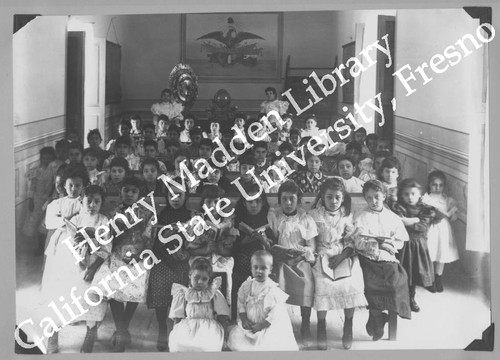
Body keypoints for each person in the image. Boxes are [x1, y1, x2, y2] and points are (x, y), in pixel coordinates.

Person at [45, 185, 111, 353]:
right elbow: (70, 243)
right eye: (89, 201)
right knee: (63, 294)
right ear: (82, 201)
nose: (92, 205)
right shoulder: (75, 219)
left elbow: (106, 249)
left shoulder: (103, 221)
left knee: (94, 294)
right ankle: (53, 335)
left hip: (96, 264)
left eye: (97, 202)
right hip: (74, 261)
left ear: (101, 203)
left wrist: (92, 268)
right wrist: (80, 257)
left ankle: (91, 330)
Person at [92, 176, 154, 352]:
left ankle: (122, 328)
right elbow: (108, 237)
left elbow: (150, 237)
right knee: (113, 288)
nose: (129, 194)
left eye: (134, 191)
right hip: (117, 254)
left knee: (135, 285)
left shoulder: (147, 212)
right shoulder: (113, 213)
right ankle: (121, 330)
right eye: (126, 190)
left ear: (139, 194)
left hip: (139, 257)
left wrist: (141, 255)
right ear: (120, 192)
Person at [309, 178, 368, 350]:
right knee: (323, 284)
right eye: (329, 197)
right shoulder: (314, 215)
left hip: (342, 255)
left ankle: (348, 325)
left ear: (343, 198)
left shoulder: (347, 215)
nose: (333, 201)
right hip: (322, 254)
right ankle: (321, 327)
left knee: (350, 284)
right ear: (322, 197)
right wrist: (316, 257)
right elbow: (311, 240)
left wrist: (342, 257)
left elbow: (350, 242)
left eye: (337, 197)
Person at [353, 179, 411, 341]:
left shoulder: (393, 218)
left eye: (377, 197)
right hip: (367, 258)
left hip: (387, 259)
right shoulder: (360, 216)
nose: (373, 201)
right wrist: (378, 244)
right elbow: (358, 242)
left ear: (384, 196)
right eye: (369, 198)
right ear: (365, 198)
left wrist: (388, 245)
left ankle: (377, 317)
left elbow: (400, 242)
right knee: (369, 284)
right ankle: (378, 317)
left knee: (395, 283)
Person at [41, 166, 88, 352]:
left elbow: (86, 223)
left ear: (83, 186)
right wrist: (68, 221)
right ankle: (53, 336)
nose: (74, 189)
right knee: (57, 290)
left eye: (78, 185)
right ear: (63, 185)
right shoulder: (56, 204)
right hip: (60, 248)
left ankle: (76, 318)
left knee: (75, 286)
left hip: (78, 248)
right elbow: (50, 222)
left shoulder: (85, 203)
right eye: (70, 185)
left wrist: (75, 222)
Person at [267, 180, 317, 347]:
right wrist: (279, 253)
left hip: (300, 258)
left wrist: (301, 255)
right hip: (280, 259)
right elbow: (272, 242)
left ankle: (305, 324)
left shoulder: (305, 219)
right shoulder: (275, 216)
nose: (288, 203)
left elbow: (311, 246)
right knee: (276, 280)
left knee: (306, 281)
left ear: (299, 200)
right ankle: (277, 324)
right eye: (284, 199)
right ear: (279, 200)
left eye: (292, 199)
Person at [147, 180, 192, 351]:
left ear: (185, 196)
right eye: (171, 194)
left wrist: (186, 253)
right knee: (159, 279)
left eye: (179, 195)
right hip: (163, 258)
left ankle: (180, 326)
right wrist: (166, 255)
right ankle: (162, 328)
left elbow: (194, 241)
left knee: (185, 279)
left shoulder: (191, 216)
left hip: (183, 258)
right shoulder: (159, 216)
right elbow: (154, 243)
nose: (175, 198)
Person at [228, 251, 298, 351]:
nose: (259, 271)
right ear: (251, 268)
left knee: (266, 345)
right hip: (250, 323)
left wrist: (262, 325)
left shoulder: (272, 290)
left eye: (263, 268)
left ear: (270, 270)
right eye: (255, 267)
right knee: (240, 341)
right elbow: (241, 303)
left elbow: (275, 313)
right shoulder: (246, 286)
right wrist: (244, 319)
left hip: (266, 325)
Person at [187, 185, 238, 304]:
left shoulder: (228, 221)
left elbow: (232, 249)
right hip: (200, 256)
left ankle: (222, 308)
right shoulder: (197, 221)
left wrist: (221, 249)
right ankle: (198, 306)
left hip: (220, 256)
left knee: (224, 270)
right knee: (200, 271)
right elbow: (189, 249)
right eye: (208, 202)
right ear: (203, 203)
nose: (212, 206)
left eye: (216, 202)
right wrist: (204, 250)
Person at [168, 257, 231, 352]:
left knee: (208, 345)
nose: (200, 282)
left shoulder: (213, 294)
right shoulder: (183, 294)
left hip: (209, 327)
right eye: (196, 277)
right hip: (188, 326)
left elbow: (222, 315)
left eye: (204, 279)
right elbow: (177, 318)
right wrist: (175, 333)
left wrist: (225, 335)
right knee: (180, 344)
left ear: (209, 279)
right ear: (190, 275)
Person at [392, 179, 436, 312]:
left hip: (417, 246)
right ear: (401, 195)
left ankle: (411, 298)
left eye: (413, 194)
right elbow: (398, 222)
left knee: (414, 273)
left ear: (419, 195)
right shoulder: (398, 207)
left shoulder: (425, 210)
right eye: (406, 194)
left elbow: (422, 226)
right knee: (401, 272)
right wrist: (413, 220)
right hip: (402, 245)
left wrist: (407, 221)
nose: (410, 197)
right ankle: (398, 298)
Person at [232, 184, 274, 318]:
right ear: (244, 203)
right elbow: (233, 246)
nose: (254, 205)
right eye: (250, 201)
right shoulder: (238, 220)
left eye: (258, 201)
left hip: (263, 254)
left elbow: (272, 246)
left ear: (263, 202)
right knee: (244, 264)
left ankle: (261, 313)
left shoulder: (267, 218)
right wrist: (245, 240)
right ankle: (241, 313)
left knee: (262, 266)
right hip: (244, 255)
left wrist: (264, 240)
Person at [421, 170, 460, 293]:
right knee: (430, 253)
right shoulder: (425, 198)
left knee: (441, 254)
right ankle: (430, 279)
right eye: (434, 184)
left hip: (443, 230)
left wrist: (453, 214)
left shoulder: (447, 200)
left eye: (440, 185)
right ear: (429, 184)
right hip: (430, 229)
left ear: (444, 186)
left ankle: (438, 278)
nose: (437, 188)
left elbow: (453, 217)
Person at [22, 147, 56, 255]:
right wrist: (30, 199)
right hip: (37, 200)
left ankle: (47, 245)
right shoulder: (37, 170)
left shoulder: (53, 170)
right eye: (44, 158)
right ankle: (40, 246)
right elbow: (32, 186)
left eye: (48, 159)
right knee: (36, 223)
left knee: (45, 224)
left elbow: (54, 186)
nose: (46, 161)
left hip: (48, 200)